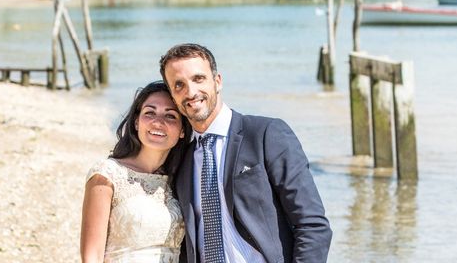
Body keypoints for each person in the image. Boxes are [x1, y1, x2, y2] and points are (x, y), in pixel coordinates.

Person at [159, 43, 332, 263]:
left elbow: (312, 225)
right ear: (173, 96)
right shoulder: (180, 157)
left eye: (198, 79)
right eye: (179, 85)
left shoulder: (266, 134)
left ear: (218, 81)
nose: (191, 92)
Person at [80, 81, 193, 263]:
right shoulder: (107, 174)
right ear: (136, 122)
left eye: (170, 116)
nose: (158, 122)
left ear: (182, 130)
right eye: (150, 113)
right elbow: (91, 256)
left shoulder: (182, 180)